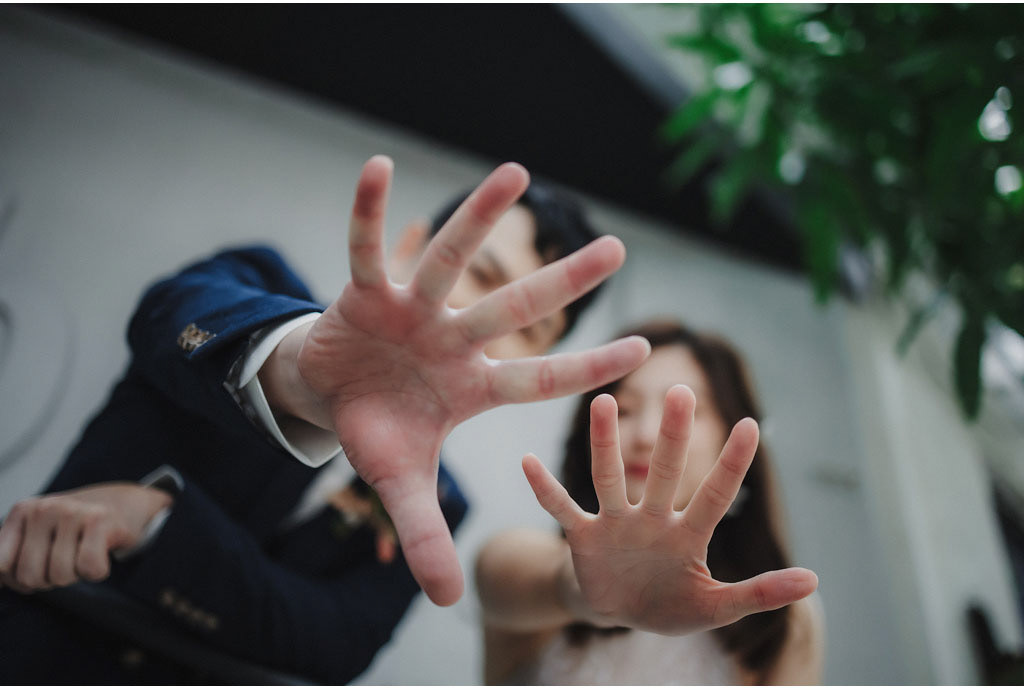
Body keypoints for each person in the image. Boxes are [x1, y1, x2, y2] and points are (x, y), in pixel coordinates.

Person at [0, 156, 650, 683]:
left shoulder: (439, 506)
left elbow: (334, 646)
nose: (479, 325)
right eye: (481, 276)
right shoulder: (254, 279)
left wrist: (159, 521)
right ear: (411, 248)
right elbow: (167, 318)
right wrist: (301, 373)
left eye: (524, 326)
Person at [476, 320, 824, 685]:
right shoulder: (522, 566)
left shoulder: (780, 617)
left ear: (731, 433)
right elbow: (519, 579)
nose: (645, 435)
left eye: (686, 411)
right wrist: (587, 589)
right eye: (625, 409)